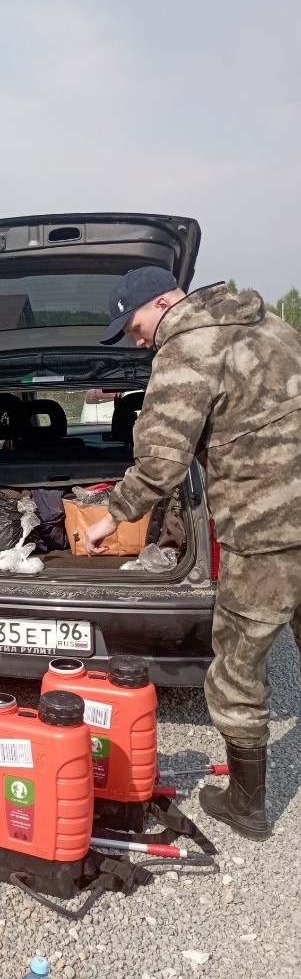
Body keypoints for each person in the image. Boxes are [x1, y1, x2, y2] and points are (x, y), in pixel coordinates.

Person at [84, 265, 301, 841]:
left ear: (162, 302)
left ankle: (247, 807)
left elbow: (160, 461)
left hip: (267, 530)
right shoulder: (271, 325)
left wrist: (112, 516)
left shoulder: (186, 348)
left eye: (134, 327)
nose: (138, 340)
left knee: (236, 667)